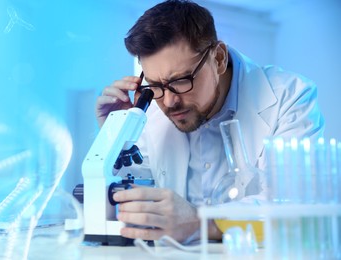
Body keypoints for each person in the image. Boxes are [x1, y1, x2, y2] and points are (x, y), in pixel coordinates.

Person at [96, 0, 324, 243]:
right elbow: (134, 194)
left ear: (218, 58)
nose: (170, 101)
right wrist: (114, 136)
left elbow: (295, 207)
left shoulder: (289, 97)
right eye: (156, 85)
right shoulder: (152, 105)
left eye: (182, 80)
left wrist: (201, 223)